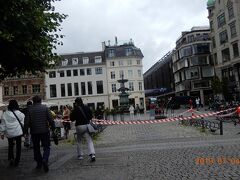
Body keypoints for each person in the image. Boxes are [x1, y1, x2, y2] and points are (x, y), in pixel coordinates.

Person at [24, 95, 56, 172]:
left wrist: (25, 132)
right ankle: (45, 159)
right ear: (40, 101)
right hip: (44, 131)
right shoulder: (45, 108)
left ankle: (39, 163)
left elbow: (26, 122)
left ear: (33, 101)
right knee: (46, 146)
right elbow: (51, 119)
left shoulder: (29, 109)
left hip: (34, 132)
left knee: (36, 148)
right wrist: (53, 128)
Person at [0, 100, 25, 167]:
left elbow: (3, 124)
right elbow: (22, 123)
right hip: (18, 132)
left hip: (9, 133)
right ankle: (17, 160)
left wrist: (2, 133)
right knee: (18, 146)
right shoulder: (20, 113)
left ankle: (11, 158)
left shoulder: (5, 114)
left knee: (10, 146)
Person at [70, 97, 96, 162]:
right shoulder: (87, 107)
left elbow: (72, 119)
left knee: (79, 141)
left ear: (76, 103)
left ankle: (80, 155)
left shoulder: (75, 109)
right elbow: (90, 116)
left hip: (79, 126)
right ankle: (92, 154)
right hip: (86, 125)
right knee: (89, 140)